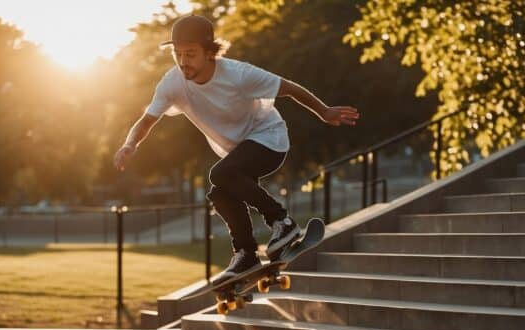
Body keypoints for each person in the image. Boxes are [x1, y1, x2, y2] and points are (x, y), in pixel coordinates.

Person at [113, 15, 359, 281]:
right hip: (237, 153)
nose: (183, 62)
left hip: (269, 140)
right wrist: (129, 144)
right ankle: (246, 255)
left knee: (220, 174)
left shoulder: (239, 75)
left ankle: (282, 221)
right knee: (220, 194)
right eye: (178, 54)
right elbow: (147, 120)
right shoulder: (173, 83)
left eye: (191, 54)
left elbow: (288, 88)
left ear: (210, 52)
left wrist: (324, 111)